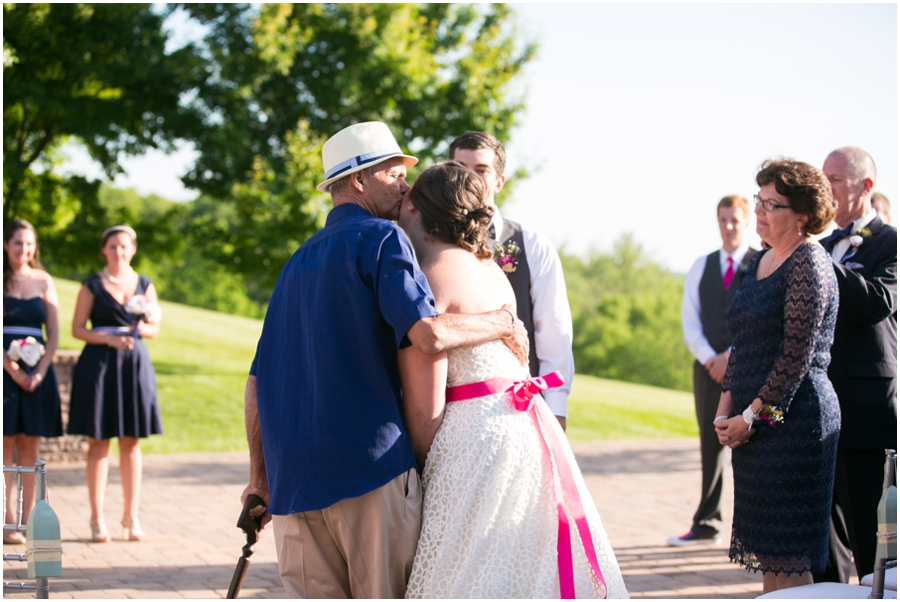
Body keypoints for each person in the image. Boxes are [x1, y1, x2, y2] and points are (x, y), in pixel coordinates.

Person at [243, 122, 528, 599]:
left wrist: (259, 480)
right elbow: (427, 334)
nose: (404, 187)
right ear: (357, 181)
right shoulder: (383, 240)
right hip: (368, 474)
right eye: (394, 175)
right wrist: (502, 322)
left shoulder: (294, 262)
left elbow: (256, 383)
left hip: (294, 486)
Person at [398, 161, 628, 598]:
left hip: (474, 443)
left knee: (467, 567)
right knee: (527, 559)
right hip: (526, 432)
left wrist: (425, 467)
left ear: (416, 208)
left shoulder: (428, 280)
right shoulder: (491, 272)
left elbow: (425, 413)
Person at [714, 159, 840, 594]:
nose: (760, 211)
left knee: (790, 561)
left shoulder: (809, 262)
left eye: (772, 203)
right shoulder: (761, 260)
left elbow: (794, 358)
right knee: (770, 555)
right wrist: (724, 411)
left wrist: (750, 420)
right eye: (759, 200)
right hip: (754, 427)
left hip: (795, 424)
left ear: (802, 215)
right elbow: (744, 343)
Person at [449, 132, 574, 430]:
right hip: (448, 406)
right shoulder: (426, 243)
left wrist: (556, 410)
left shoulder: (532, 245)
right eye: (460, 168)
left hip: (517, 411)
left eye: (480, 170)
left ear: (499, 182)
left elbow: (554, 335)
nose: (469, 178)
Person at [813, 147, 897, 584]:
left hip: (868, 409)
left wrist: (821, 264)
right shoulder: (822, 245)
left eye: (836, 179)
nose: (825, 188)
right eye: (822, 178)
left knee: (870, 536)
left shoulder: (892, 242)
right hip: (819, 410)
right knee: (823, 541)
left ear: (866, 187)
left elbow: (878, 302)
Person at [670, 196, 756, 547]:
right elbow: (690, 323)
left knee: (751, 447)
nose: (728, 226)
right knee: (710, 445)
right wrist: (712, 359)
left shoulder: (761, 263)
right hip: (707, 372)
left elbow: (760, 322)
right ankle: (706, 522)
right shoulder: (700, 266)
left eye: (735, 220)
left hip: (750, 368)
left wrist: (731, 358)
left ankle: (752, 531)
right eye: (723, 220)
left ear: (747, 221)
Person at [68, 224, 162, 543]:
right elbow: (77, 329)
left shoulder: (145, 284)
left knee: (131, 441)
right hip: (99, 366)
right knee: (98, 441)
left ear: (132, 250)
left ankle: (130, 516)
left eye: (123, 247)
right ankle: (96, 519)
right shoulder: (91, 285)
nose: (118, 252)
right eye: (112, 246)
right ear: (103, 250)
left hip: (133, 365)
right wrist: (109, 339)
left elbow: (154, 329)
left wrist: (135, 331)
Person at [2, 220, 62, 545]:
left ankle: (30, 519)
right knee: (4, 445)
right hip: (4, 371)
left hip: (37, 371)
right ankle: (6, 519)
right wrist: (10, 369)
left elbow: (53, 332)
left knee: (30, 445)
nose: (23, 250)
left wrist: (39, 370)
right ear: (6, 245)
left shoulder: (43, 280)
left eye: (29, 244)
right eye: (17, 243)